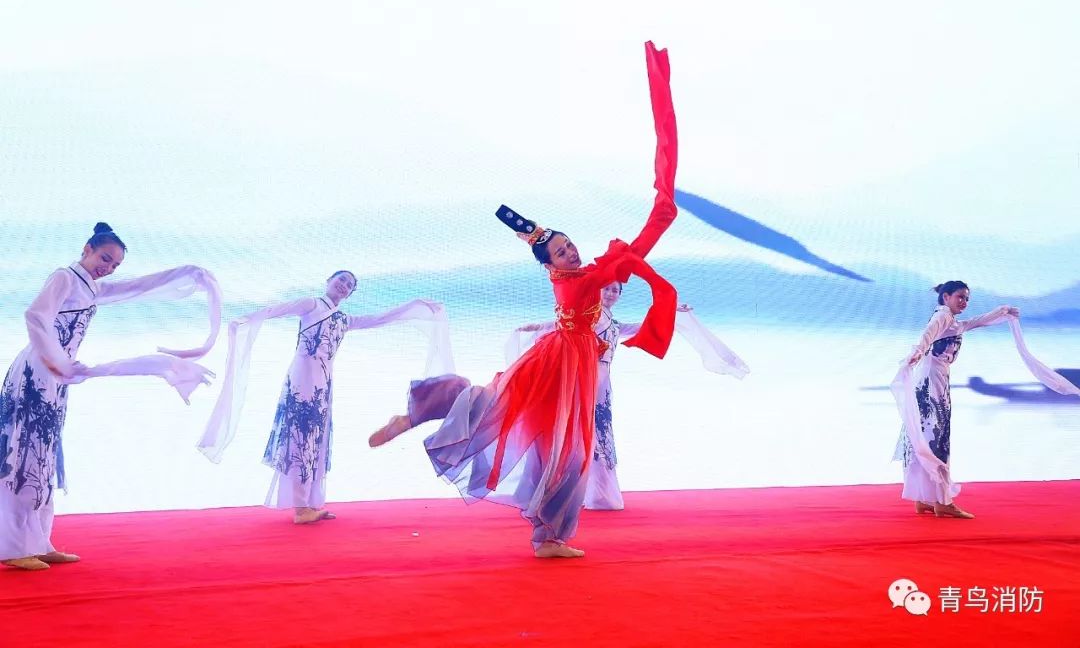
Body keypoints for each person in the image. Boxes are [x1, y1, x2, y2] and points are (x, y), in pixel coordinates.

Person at [368, 41, 679, 558]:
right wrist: (660, 211)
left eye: (569, 243)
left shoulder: (571, 275)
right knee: (551, 440)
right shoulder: (580, 280)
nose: (570, 250)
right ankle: (423, 413)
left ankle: (546, 534)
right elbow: (628, 256)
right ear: (550, 263)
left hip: (568, 361)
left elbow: (597, 261)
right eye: (560, 250)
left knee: (543, 439)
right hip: (561, 365)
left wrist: (535, 232)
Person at [1, 223, 220, 570]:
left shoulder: (90, 287)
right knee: (26, 456)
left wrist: (187, 273)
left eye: (115, 264)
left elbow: (136, 287)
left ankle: (38, 541)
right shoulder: (64, 277)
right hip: (37, 372)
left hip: (56, 375)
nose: (109, 268)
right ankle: (15, 547)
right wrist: (58, 360)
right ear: (87, 249)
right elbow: (35, 316)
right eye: (105, 258)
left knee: (44, 457)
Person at [197, 271, 453, 524]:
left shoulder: (344, 319)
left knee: (314, 442)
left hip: (322, 385)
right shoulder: (311, 305)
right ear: (328, 281)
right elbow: (277, 310)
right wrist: (244, 320)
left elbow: (379, 318)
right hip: (302, 381)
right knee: (301, 438)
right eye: (341, 279)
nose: (344, 285)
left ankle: (307, 504)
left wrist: (416, 306)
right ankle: (301, 509)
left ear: (350, 294)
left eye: (349, 285)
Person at [511, 282, 748, 510]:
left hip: (601, 382)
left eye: (615, 290)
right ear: (597, 292)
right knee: (582, 433)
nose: (611, 293)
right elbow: (563, 325)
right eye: (606, 289)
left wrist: (673, 312)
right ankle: (568, 493)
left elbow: (643, 327)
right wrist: (535, 327)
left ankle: (592, 493)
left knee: (597, 434)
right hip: (583, 379)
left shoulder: (613, 324)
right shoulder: (590, 315)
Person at [891, 280, 1080, 518]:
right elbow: (927, 335)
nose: (964, 302)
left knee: (928, 437)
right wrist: (916, 353)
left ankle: (924, 498)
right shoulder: (942, 317)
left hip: (932, 380)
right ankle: (942, 501)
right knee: (937, 439)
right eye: (960, 297)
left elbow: (973, 323)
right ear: (946, 296)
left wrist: (1001, 312)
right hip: (932, 383)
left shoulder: (951, 320)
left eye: (967, 298)